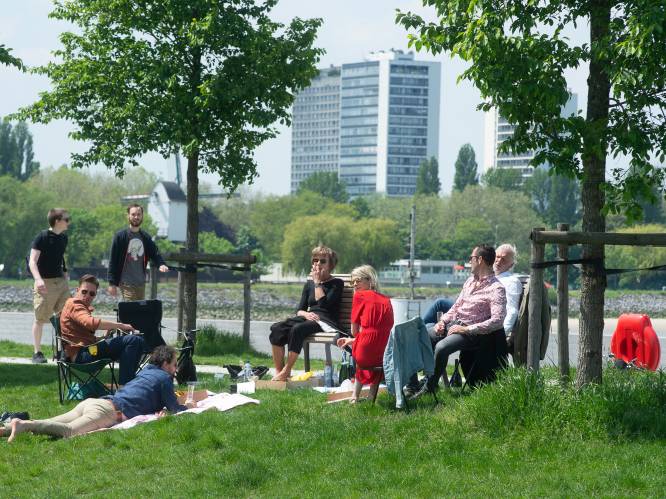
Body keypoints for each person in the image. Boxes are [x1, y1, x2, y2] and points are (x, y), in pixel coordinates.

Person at [2, 345, 193, 442]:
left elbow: (150, 398)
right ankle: (22, 425)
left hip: (94, 402)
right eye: (174, 365)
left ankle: (6, 430)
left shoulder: (146, 372)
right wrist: (189, 406)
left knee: (54, 422)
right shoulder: (164, 379)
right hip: (108, 411)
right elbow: (175, 408)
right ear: (166, 364)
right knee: (69, 432)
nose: (175, 370)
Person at [414, 244, 506, 396]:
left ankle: (430, 388)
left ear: (480, 259)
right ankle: (413, 385)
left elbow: (498, 320)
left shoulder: (496, 288)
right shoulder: (469, 281)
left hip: (471, 333)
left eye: (471, 258)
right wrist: (442, 322)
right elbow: (456, 307)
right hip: (454, 324)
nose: (469, 261)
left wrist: (467, 329)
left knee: (442, 348)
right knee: (420, 337)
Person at [269, 245, 344, 381]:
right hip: (309, 318)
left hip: (326, 321)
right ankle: (279, 372)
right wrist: (306, 314)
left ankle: (287, 370)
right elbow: (299, 309)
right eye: (315, 260)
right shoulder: (308, 284)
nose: (318, 264)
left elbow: (323, 304)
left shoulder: (337, 283)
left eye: (322, 261)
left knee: (297, 329)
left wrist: (317, 283)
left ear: (331, 265)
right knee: (277, 328)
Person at [61, 274, 145, 385]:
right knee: (133, 340)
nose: (87, 296)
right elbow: (90, 322)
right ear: (77, 290)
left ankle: (128, 384)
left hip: (87, 351)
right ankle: (126, 387)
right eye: (84, 291)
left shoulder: (76, 306)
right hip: (82, 355)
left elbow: (79, 336)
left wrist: (102, 338)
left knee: (134, 342)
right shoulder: (75, 304)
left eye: (92, 294)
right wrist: (120, 325)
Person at [336, 265, 394, 403]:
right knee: (374, 361)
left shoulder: (359, 296)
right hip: (385, 349)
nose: (355, 284)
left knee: (363, 357)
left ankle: (354, 397)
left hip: (365, 352)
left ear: (369, 280)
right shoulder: (386, 299)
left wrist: (353, 340)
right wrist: (354, 341)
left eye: (358, 280)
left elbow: (354, 331)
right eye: (353, 282)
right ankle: (371, 397)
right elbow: (381, 330)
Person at [28, 208, 71, 364]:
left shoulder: (64, 238)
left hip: (61, 282)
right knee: (40, 319)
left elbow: (59, 257)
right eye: (66, 219)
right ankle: (37, 353)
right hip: (44, 282)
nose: (69, 222)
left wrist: (65, 272)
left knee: (65, 317)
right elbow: (32, 261)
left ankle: (63, 352)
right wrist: (38, 280)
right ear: (57, 221)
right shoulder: (42, 237)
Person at [107, 203, 169, 301]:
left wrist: (161, 264)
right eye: (133, 214)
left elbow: (155, 253)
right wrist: (112, 283)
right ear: (128, 216)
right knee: (132, 309)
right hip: (126, 282)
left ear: (142, 216)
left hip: (141, 283)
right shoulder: (120, 237)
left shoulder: (145, 237)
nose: (136, 217)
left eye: (139, 214)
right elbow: (113, 260)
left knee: (139, 312)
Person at [493, 243, 523, 337]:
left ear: (511, 265)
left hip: (492, 327)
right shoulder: (489, 277)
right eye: (497, 257)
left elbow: (512, 311)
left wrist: (501, 336)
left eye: (504, 259)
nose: (498, 261)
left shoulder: (511, 282)